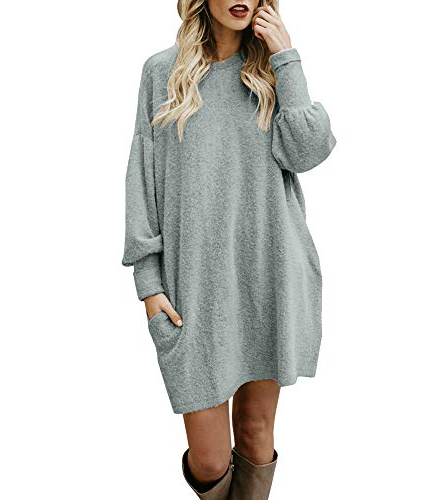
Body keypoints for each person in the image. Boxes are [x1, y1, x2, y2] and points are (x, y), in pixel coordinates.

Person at [122, 0, 337, 497]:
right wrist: (148, 283)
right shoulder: (162, 73)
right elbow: (141, 180)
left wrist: (287, 58)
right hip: (193, 289)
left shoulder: (272, 73)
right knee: (210, 457)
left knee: (257, 436)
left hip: (268, 275)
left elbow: (309, 152)